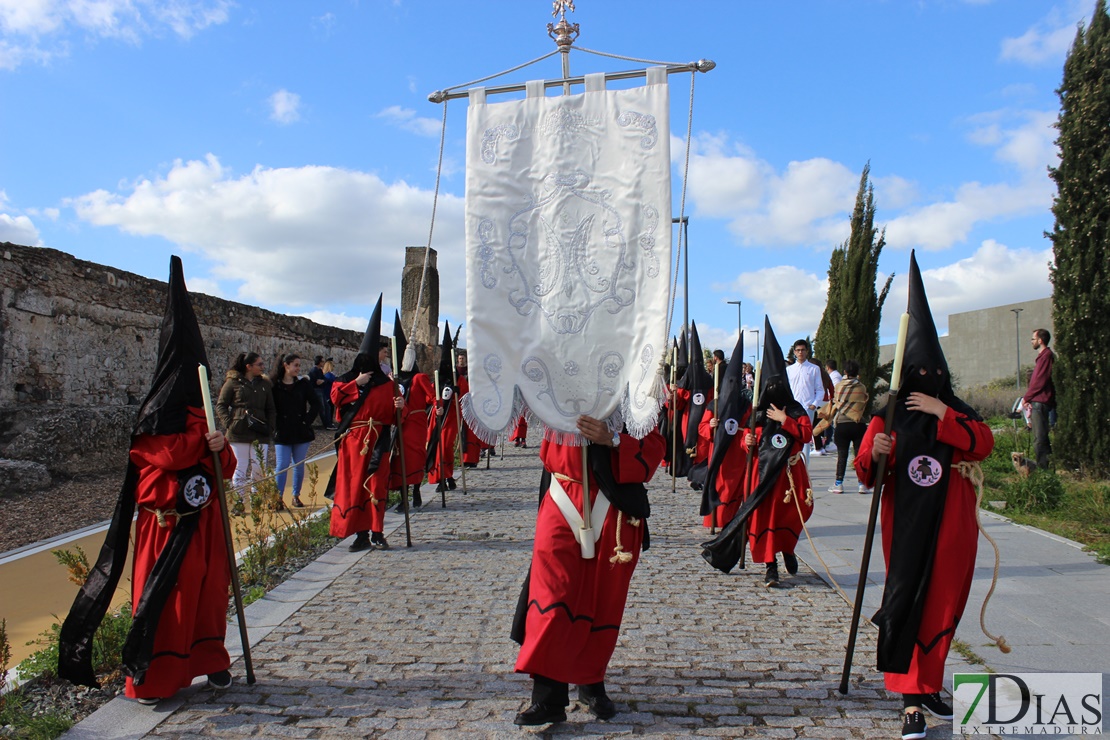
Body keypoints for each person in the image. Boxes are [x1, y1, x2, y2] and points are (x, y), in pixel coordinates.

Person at [59, 256, 236, 703]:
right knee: (166, 602)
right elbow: (167, 456)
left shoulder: (204, 413)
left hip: (207, 523)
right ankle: (154, 679)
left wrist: (221, 446)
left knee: (209, 595)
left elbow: (225, 467)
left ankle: (211, 663)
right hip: (166, 526)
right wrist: (204, 439)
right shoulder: (154, 419)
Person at [855, 252, 995, 740]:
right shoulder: (887, 414)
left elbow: (984, 443)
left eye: (934, 376)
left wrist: (942, 412)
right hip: (908, 525)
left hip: (953, 525)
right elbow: (865, 473)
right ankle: (911, 701)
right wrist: (878, 451)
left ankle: (929, 683)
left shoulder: (954, 409)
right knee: (908, 596)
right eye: (919, 374)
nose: (927, 382)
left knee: (941, 605)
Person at [510, 415, 665, 726]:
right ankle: (547, 698)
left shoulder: (630, 383)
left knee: (600, 602)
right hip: (561, 493)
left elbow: (655, 444)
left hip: (612, 503)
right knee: (550, 595)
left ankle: (591, 682)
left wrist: (614, 439)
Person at [701, 318, 813, 588]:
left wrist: (785, 419)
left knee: (791, 515)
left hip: (789, 474)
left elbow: (806, 434)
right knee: (763, 517)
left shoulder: (795, 409)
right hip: (763, 473)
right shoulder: (757, 412)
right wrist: (748, 440)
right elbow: (748, 440)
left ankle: (788, 548)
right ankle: (770, 566)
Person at [327, 296, 404, 552]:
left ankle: (377, 531)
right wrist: (356, 384)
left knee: (376, 484)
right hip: (353, 443)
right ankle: (359, 534)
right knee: (353, 487)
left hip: (378, 441)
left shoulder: (387, 384)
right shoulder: (346, 380)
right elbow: (335, 399)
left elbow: (396, 419)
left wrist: (399, 409)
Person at [215, 351, 276, 505]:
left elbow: (271, 408)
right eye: (259, 364)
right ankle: (239, 501)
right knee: (240, 468)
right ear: (249, 366)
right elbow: (221, 405)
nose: (263, 367)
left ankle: (255, 498)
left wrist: (270, 426)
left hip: (260, 431)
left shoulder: (264, 384)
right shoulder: (233, 382)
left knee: (258, 467)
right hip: (238, 431)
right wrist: (230, 423)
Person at [389, 311, 434, 512]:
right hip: (399, 422)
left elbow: (432, 396)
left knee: (413, 458)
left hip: (415, 423)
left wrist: (438, 407)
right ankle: (404, 496)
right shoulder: (395, 381)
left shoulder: (419, 378)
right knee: (399, 460)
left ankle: (415, 491)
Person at [271, 353, 320, 509]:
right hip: (282, 430)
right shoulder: (274, 385)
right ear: (286, 365)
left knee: (298, 464)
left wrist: (307, 420)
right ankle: (278, 498)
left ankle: (295, 496)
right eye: (296, 365)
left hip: (300, 429)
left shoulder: (303, 385)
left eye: (299, 365)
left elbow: (316, 403)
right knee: (282, 465)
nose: (298, 368)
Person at [825, 359, 870, 494]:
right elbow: (863, 403)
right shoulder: (861, 387)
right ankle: (862, 484)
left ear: (844, 372)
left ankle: (839, 484)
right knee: (859, 455)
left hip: (842, 424)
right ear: (857, 373)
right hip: (858, 424)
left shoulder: (839, 387)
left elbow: (836, 402)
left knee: (842, 455)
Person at [426, 323, 461, 493]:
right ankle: (442, 478)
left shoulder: (458, 379)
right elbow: (430, 396)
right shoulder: (436, 379)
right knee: (437, 446)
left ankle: (447, 475)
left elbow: (465, 398)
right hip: (437, 418)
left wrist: (457, 394)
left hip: (451, 418)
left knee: (446, 447)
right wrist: (435, 406)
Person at [786, 339, 823, 463]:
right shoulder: (789, 370)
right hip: (793, 408)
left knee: (806, 438)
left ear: (807, 351)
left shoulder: (814, 369)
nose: (800, 352)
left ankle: (805, 468)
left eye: (802, 350)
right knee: (792, 435)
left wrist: (814, 405)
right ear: (794, 352)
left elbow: (820, 389)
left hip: (807, 408)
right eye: (798, 350)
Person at [1022, 328, 1055, 469]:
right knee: (1040, 438)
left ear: (1040, 340)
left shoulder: (1046, 356)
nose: (1031, 341)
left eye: (1033, 339)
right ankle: (1047, 469)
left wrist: (1027, 397)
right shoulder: (1043, 357)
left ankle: (1043, 471)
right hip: (1037, 401)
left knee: (1039, 439)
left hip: (1040, 402)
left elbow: (1039, 381)